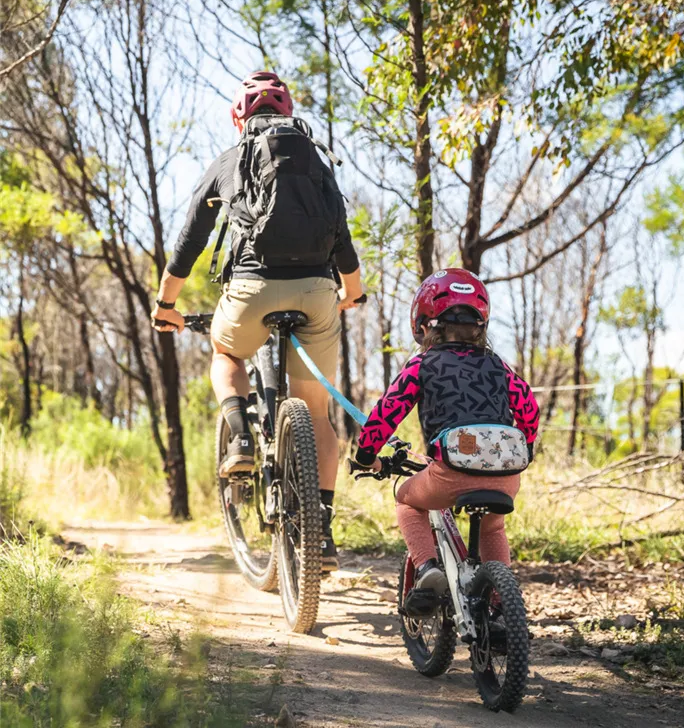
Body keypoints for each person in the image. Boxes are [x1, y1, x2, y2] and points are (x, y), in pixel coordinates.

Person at [151, 71, 363, 571]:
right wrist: (351, 292)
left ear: (238, 117)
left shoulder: (230, 161)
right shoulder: (315, 160)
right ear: (288, 113)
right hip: (317, 291)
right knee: (317, 415)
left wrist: (165, 305)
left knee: (226, 352)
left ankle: (241, 435)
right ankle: (321, 530)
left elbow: (191, 239)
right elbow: (340, 233)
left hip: (250, 288)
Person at [353, 268, 539, 597]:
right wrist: (528, 447)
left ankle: (427, 569)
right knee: (493, 527)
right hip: (507, 476)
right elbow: (528, 408)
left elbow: (387, 411)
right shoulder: (498, 365)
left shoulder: (422, 364)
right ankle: (501, 603)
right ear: (480, 324)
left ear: (425, 325)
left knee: (407, 501)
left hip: (451, 474)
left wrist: (367, 455)